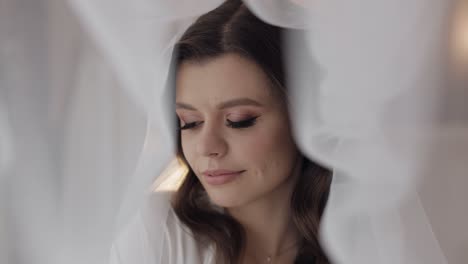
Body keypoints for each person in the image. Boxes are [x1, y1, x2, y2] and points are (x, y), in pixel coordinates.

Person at [110, 1, 332, 263]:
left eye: (238, 120)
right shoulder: (158, 230)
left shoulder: (365, 235)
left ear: (304, 117)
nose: (206, 147)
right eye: (189, 122)